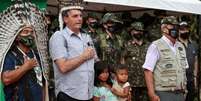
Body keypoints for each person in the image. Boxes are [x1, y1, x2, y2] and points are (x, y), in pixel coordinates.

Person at [0, 1, 49, 101]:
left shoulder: (36, 54)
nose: (30, 35)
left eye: (31, 32)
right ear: (17, 36)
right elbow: (6, 79)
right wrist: (25, 67)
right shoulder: (10, 55)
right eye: (25, 32)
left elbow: (42, 83)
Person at [49, 0, 97, 101]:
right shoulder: (59, 37)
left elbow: (94, 60)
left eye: (80, 15)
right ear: (65, 18)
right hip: (69, 94)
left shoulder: (86, 36)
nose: (79, 19)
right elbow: (63, 67)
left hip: (88, 93)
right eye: (75, 16)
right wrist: (84, 56)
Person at [143, 16, 189, 101]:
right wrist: (152, 94)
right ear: (164, 28)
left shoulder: (181, 46)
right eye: (172, 26)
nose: (176, 28)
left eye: (177, 26)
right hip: (163, 93)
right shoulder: (156, 46)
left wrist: (185, 90)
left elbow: (184, 70)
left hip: (180, 93)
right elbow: (148, 71)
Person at [123, 21, 150, 101]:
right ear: (131, 32)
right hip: (131, 83)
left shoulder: (149, 45)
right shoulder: (126, 45)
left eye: (141, 31)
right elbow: (122, 61)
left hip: (146, 82)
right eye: (136, 30)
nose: (139, 32)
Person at [178, 21, 199, 101]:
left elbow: (196, 61)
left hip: (191, 79)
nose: (185, 31)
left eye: (186, 29)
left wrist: (195, 78)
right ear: (179, 31)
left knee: (191, 98)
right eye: (182, 29)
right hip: (179, 79)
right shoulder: (175, 44)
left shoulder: (194, 44)